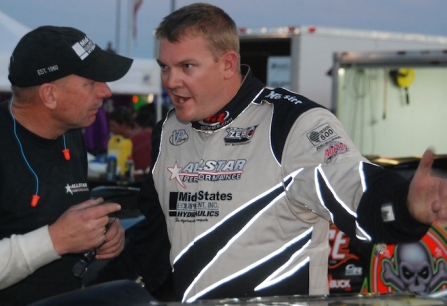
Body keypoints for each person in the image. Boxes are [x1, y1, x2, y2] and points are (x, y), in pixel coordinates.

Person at [94, 3, 447, 302]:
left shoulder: (291, 122)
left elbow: (354, 185)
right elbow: (153, 239)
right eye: (165, 67)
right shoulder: (169, 131)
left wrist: (405, 206)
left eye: (186, 67)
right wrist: (90, 280)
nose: (170, 81)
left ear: (227, 64)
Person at [0, 26, 133, 304]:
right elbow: (57, 234)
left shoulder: (71, 134)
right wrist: (55, 240)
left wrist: (102, 230)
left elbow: (60, 211)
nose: (107, 91)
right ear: (49, 95)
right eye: (91, 83)